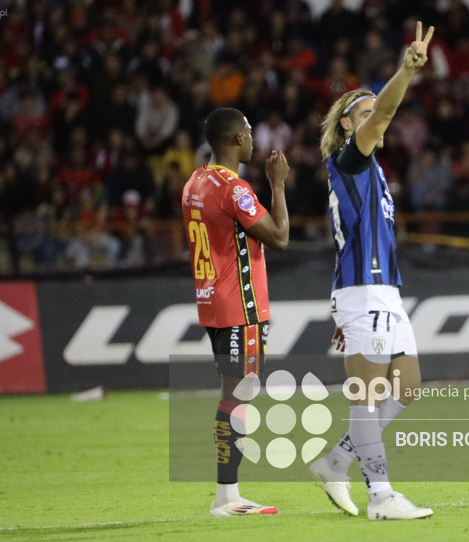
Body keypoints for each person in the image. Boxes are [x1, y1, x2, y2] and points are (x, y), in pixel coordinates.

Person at [309, 21, 435, 521]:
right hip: (363, 292)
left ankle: (336, 461)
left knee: (407, 388)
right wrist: (406, 70)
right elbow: (383, 111)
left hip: (382, 293)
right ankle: (381, 497)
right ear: (348, 126)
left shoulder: (375, 170)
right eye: (362, 115)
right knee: (367, 398)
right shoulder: (352, 160)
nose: (375, 121)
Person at [181, 108, 289, 516]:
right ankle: (227, 496)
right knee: (237, 399)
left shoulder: (195, 181)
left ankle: (228, 494)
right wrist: (278, 186)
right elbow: (279, 237)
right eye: (246, 132)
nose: (252, 139)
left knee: (233, 397)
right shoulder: (234, 188)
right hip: (240, 309)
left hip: (212, 304)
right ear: (233, 140)